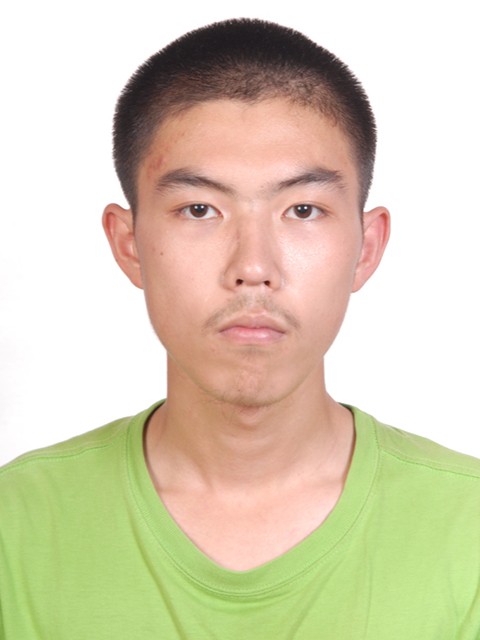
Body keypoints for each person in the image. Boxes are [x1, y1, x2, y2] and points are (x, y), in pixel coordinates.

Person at [0, 18, 479, 639]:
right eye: (200, 209)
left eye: (302, 209)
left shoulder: (467, 529)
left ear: (366, 248)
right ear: (129, 244)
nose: (253, 267)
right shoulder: (16, 526)